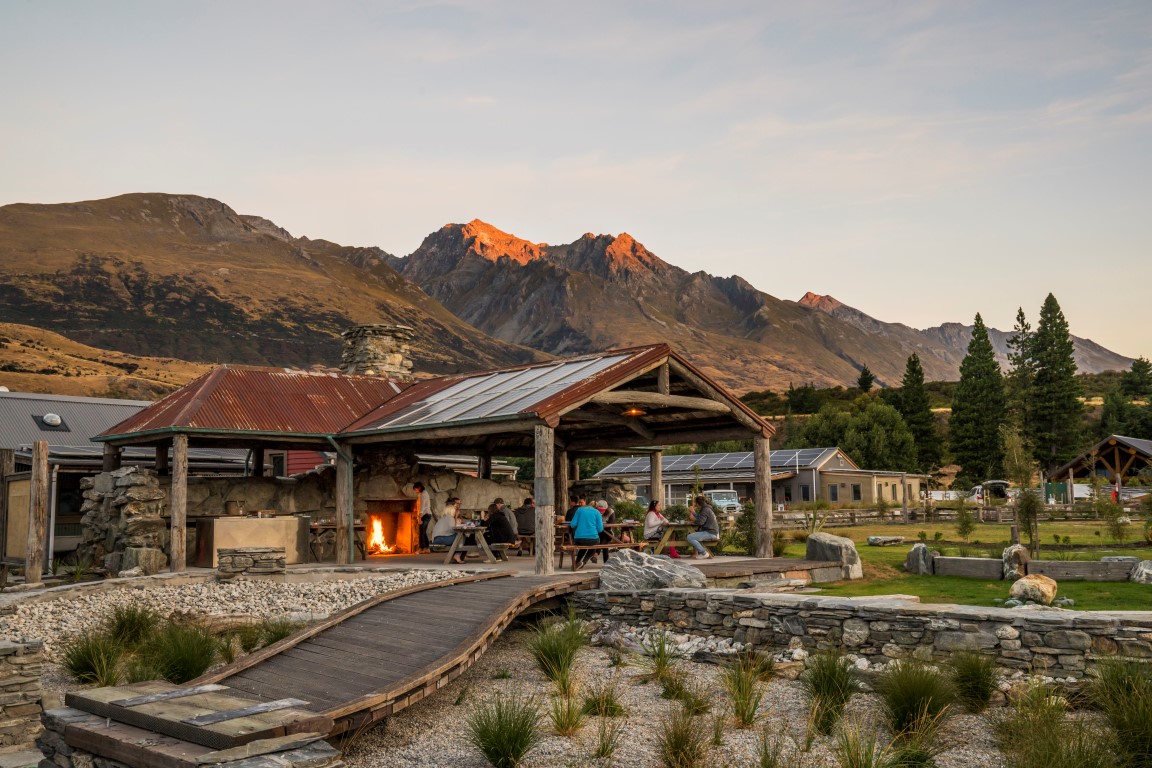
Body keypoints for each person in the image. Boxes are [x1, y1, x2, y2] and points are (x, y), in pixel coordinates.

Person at [569, 495, 603, 570]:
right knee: (594, 546)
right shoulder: (597, 512)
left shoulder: (579, 510)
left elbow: (572, 524)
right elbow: (600, 529)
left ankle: (576, 563)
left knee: (583, 547)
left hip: (579, 539)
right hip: (593, 538)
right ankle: (583, 562)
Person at [431, 497, 466, 564]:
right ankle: (457, 555)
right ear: (451, 510)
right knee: (461, 536)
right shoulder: (450, 518)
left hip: (437, 539)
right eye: (454, 510)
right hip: (440, 539)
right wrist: (458, 524)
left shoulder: (444, 518)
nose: (455, 511)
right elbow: (453, 530)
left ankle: (456, 555)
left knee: (459, 537)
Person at [413, 482, 431, 553]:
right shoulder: (421, 494)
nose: (415, 491)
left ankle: (421, 548)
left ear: (419, 487)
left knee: (422, 532)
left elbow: (423, 505)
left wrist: (420, 514)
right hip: (424, 514)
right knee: (423, 532)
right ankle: (427, 548)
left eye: (416, 489)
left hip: (425, 515)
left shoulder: (424, 494)